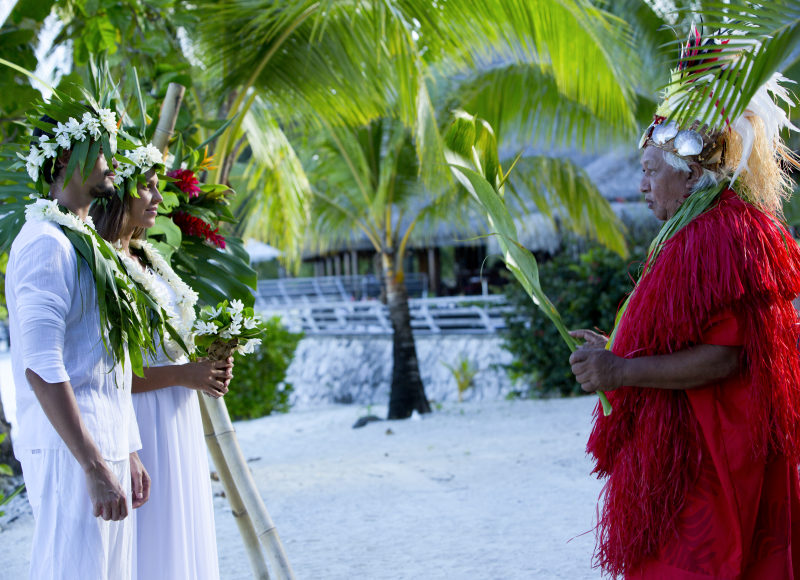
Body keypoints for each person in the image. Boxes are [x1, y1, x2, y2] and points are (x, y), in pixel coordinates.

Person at [569, 25, 800, 579]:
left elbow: (725, 356)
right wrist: (616, 347)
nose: (643, 185)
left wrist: (621, 370)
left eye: (650, 171)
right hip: (696, 450)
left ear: (691, 171)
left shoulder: (720, 236)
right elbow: (688, 337)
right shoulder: (699, 232)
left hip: (714, 459)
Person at [8, 122, 150, 580]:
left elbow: (106, 356)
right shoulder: (45, 244)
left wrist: (126, 448)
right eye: (103, 152)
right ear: (68, 160)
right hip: (68, 448)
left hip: (105, 440)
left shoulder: (85, 239)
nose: (113, 166)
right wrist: (91, 464)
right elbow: (41, 366)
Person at [90, 170, 232, 580]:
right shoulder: (105, 266)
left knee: (184, 522)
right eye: (147, 187)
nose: (157, 197)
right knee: (155, 530)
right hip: (140, 419)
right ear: (118, 193)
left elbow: (173, 345)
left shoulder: (149, 257)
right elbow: (106, 371)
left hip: (177, 412)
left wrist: (212, 359)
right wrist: (185, 374)